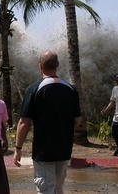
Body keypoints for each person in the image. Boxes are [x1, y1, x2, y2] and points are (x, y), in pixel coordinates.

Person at [13, 50, 81, 194]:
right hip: (64, 151)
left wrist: (18, 148)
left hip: (43, 152)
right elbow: (78, 120)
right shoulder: (71, 90)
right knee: (58, 188)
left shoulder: (34, 89)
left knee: (45, 190)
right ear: (57, 65)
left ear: (40, 66)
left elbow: (24, 122)